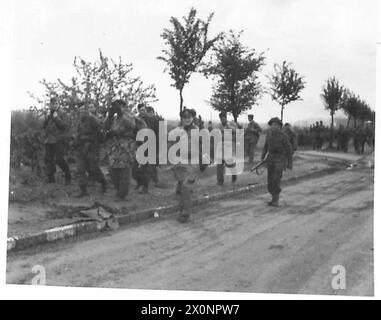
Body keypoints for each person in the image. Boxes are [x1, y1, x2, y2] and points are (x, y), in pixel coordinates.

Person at [171, 108, 206, 223]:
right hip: (181, 162)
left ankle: (186, 214)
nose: (186, 119)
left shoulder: (198, 130)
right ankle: (182, 208)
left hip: (193, 163)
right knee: (180, 188)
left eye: (189, 117)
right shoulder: (179, 131)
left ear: (193, 118)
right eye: (184, 117)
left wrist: (204, 161)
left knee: (186, 186)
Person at [104, 100, 137, 200]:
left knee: (125, 172)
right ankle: (118, 190)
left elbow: (132, 126)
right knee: (113, 170)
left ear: (124, 107)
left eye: (120, 107)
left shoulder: (129, 116)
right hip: (115, 147)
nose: (118, 109)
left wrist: (122, 114)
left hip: (126, 147)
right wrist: (109, 116)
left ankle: (122, 194)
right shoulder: (114, 118)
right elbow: (105, 127)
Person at [75, 101, 107, 197]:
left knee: (93, 169)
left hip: (92, 147)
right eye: (79, 110)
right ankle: (83, 190)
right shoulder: (80, 120)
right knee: (80, 168)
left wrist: (93, 143)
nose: (81, 112)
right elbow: (78, 133)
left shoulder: (92, 119)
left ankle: (103, 182)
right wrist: (75, 142)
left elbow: (100, 133)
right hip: (81, 147)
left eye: (82, 109)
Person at [261, 117, 293, 207]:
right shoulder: (269, 135)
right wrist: (262, 158)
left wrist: (289, 163)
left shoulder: (283, 136)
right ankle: (273, 198)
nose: (273, 127)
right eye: (272, 125)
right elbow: (265, 147)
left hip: (280, 159)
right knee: (270, 181)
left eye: (275, 125)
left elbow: (289, 150)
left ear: (279, 126)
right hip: (270, 159)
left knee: (276, 179)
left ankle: (276, 200)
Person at [43, 97, 71, 184]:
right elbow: (44, 126)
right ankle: (51, 178)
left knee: (59, 159)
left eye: (56, 104)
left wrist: (56, 118)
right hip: (49, 140)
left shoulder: (63, 113)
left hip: (59, 139)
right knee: (48, 159)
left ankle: (68, 175)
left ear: (58, 104)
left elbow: (64, 126)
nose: (54, 106)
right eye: (52, 104)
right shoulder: (50, 113)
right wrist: (47, 117)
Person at [216, 111, 237, 185]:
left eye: (223, 118)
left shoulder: (231, 124)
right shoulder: (218, 125)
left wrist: (229, 127)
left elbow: (237, 132)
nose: (222, 120)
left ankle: (234, 176)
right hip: (221, 147)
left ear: (226, 117)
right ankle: (220, 181)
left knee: (230, 163)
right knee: (219, 164)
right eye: (220, 118)